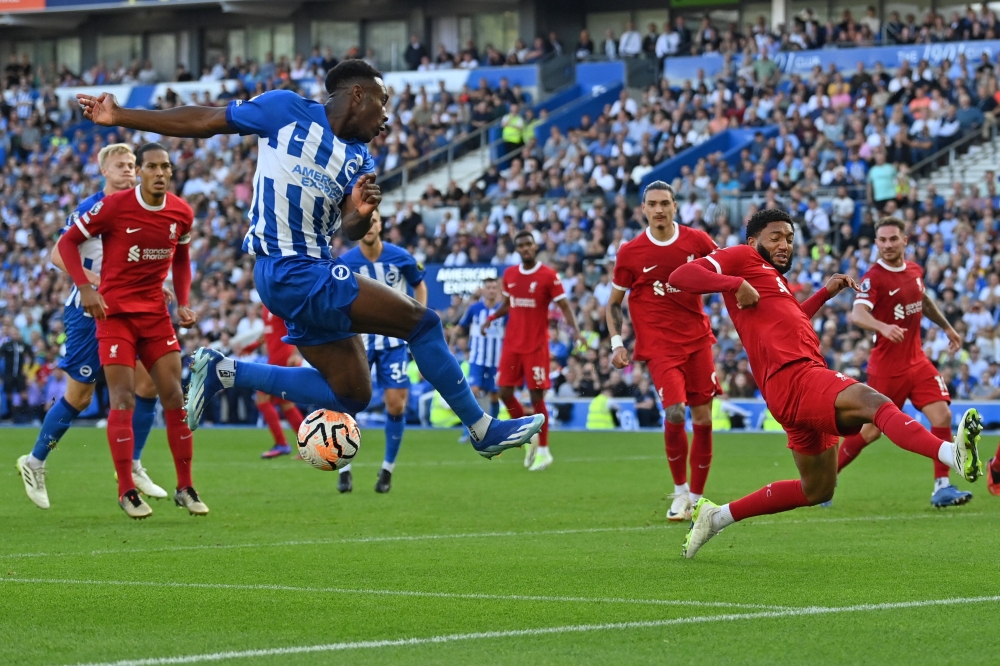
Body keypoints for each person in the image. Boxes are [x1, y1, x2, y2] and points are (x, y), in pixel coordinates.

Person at [77, 60, 544, 462]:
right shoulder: (286, 110)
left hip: (307, 273)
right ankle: (482, 429)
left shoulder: (359, 159)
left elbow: (351, 228)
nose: (386, 119)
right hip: (289, 268)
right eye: (382, 105)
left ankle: (226, 370)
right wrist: (122, 115)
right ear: (357, 95)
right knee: (422, 323)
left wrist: (360, 215)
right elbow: (206, 119)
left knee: (352, 395)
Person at [669, 208, 982, 559]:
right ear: (752, 241)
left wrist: (824, 293)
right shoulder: (741, 258)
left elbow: (792, 319)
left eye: (789, 238)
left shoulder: (773, 278)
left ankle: (717, 516)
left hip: (790, 386)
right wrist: (733, 283)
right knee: (873, 402)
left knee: (818, 488)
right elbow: (681, 275)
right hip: (795, 376)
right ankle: (950, 454)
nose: (784, 244)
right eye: (775, 237)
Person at [55, 142, 208, 520]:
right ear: (139, 171)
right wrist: (86, 287)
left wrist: (184, 300)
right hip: (116, 315)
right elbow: (66, 243)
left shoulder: (181, 212)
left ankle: (185, 486)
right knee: (121, 398)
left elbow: (183, 258)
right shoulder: (113, 207)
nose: (159, 173)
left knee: (174, 396)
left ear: (171, 172)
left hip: (155, 316)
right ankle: (126, 490)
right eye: (151, 167)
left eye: (165, 167)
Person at [16, 144, 168, 510]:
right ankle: (35, 462)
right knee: (80, 396)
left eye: (132, 165)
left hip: (132, 311)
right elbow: (57, 254)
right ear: (104, 171)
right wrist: (98, 282)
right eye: (120, 165)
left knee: (149, 381)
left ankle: (132, 464)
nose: (128, 170)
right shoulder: (91, 209)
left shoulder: (144, 207)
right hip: (89, 312)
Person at [839, 217, 971, 508]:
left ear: (904, 241)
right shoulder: (874, 277)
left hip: (918, 361)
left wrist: (946, 327)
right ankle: (826, 476)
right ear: (876, 243)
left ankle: (942, 487)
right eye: (882, 240)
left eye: (893, 239)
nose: (887, 245)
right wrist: (882, 327)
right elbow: (858, 314)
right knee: (871, 431)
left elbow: (922, 300)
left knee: (943, 417)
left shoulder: (914, 270)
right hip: (887, 367)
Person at [606, 182, 719, 521]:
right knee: (674, 412)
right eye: (652, 204)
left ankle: (697, 499)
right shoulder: (631, 252)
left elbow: (724, 268)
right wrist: (617, 343)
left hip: (698, 340)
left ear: (675, 206)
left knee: (703, 419)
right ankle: (680, 492)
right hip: (659, 347)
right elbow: (613, 303)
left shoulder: (697, 241)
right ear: (643, 209)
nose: (658, 209)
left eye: (664, 203)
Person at [340, 209, 427, 493]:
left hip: (393, 342)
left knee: (396, 405)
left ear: (380, 225)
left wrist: (418, 318)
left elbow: (419, 284)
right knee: (347, 401)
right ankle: (344, 467)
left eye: (374, 220)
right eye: (365, 221)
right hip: (358, 341)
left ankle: (387, 469)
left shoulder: (400, 256)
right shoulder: (345, 262)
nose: (369, 225)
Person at [482, 230, 584, 471]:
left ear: (535, 247)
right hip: (512, 345)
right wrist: (493, 317)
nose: (526, 248)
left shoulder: (548, 276)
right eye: (521, 245)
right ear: (517, 249)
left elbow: (565, 306)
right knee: (504, 391)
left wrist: (577, 332)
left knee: (537, 397)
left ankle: (545, 451)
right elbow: (509, 303)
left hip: (536, 346)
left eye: (529, 244)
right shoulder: (509, 274)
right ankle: (528, 436)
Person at [238, 306, 306, 459]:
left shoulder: (280, 302)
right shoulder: (266, 307)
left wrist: (295, 354)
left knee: (262, 399)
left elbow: (298, 327)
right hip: (274, 360)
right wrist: (254, 345)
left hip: (283, 359)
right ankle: (309, 446)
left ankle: (282, 444)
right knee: (286, 404)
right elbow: (269, 332)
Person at [452, 276, 505, 442]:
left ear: (497, 290)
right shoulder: (475, 309)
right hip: (477, 360)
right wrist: (451, 347)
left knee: (494, 396)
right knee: (473, 392)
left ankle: (493, 430)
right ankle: (468, 429)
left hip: (496, 361)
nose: (491, 290)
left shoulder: (503, 311)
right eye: (488, 287)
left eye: (494, 287)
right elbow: (459, 328)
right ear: (483, 289)